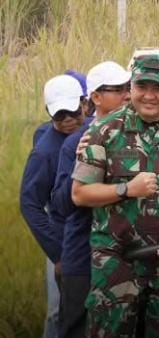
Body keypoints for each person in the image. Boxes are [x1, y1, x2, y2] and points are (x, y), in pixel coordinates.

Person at [72, 55, 159, 338]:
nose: (149, 95)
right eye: (142, 86)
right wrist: (126, 189)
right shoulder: (104, 130)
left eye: (158, 87)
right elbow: (80, 193)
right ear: (131, 86)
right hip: (117, 257)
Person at [51, 62, 131, 338]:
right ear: (96, 97)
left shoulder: (138, 138)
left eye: (128, 88)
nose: (127, 95)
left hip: (125, 256)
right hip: (83, 257)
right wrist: (79, 164)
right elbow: (61, 205)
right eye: (118, 89)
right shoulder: (76, 142)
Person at [21, 74, 87, 338]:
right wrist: (57, 253)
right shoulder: (45, 152)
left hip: (93, 238)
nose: (67, 120)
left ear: (84, 103)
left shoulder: (96, 130)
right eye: (58, 116)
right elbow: (30, 204)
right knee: (60, 311)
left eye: (71, 111)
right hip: (62, 240)